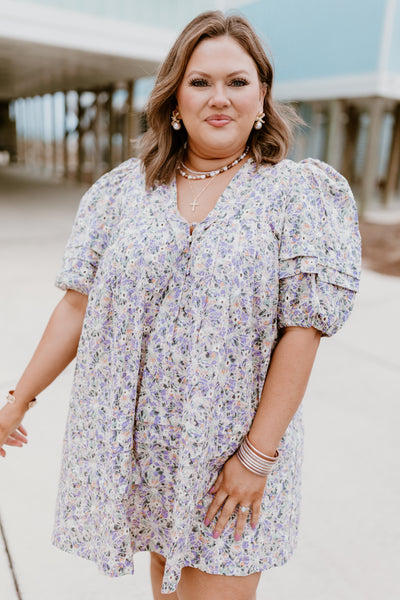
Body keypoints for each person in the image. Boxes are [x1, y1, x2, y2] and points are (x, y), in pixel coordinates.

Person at [0, 10, 361, 600]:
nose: (219, 98)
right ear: (174, 97)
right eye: (201, 82)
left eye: (237, 82)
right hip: (150, 460)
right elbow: (76, 307)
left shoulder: (296, 195)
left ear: (262, 95)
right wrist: (17, 402)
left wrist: (255, 460)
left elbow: (304, 330)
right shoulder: (123, 192)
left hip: (234, 464)